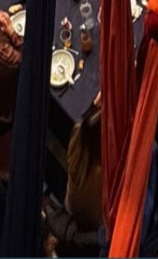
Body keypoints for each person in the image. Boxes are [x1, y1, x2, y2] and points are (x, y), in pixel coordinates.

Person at [62, 98, 103, 234]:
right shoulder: (102, 174)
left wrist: (93, 106)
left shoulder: (77, 135)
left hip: (70, 208)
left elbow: (87, 122)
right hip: (94, 229)